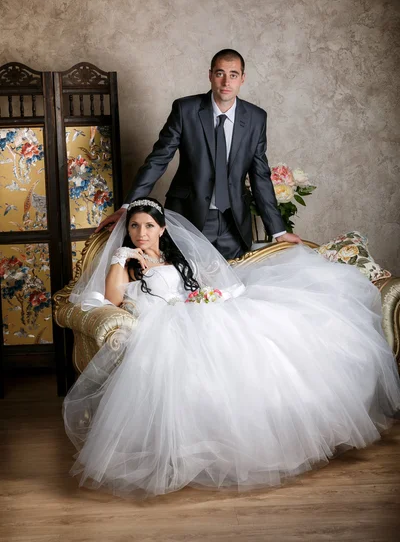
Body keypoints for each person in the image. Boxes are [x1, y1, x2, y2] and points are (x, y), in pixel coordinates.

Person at [63, 197, 400, 498]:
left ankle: (269, 437)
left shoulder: (174, 259)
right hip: (163, 323)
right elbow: (112, 300)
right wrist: (119, 260)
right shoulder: (129, 263)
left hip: (198, 310)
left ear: (162, 229)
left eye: (149, 225)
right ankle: (186, 452)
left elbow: (200, 285)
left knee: (264, 343)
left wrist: (208, 295)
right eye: (135, 226)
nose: (141, 232)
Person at [96, 49, 301, 259]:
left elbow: (260, 176)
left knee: (233, 285)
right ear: (210, 75)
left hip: (234, 222)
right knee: (186, 283)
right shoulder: (185, 110)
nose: (226, 82)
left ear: (242, 79)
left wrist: (279, 230)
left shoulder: (256, 118)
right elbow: (158, 160)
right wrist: (128, 205)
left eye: (233, 75)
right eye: (220, 73)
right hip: (189, 217)